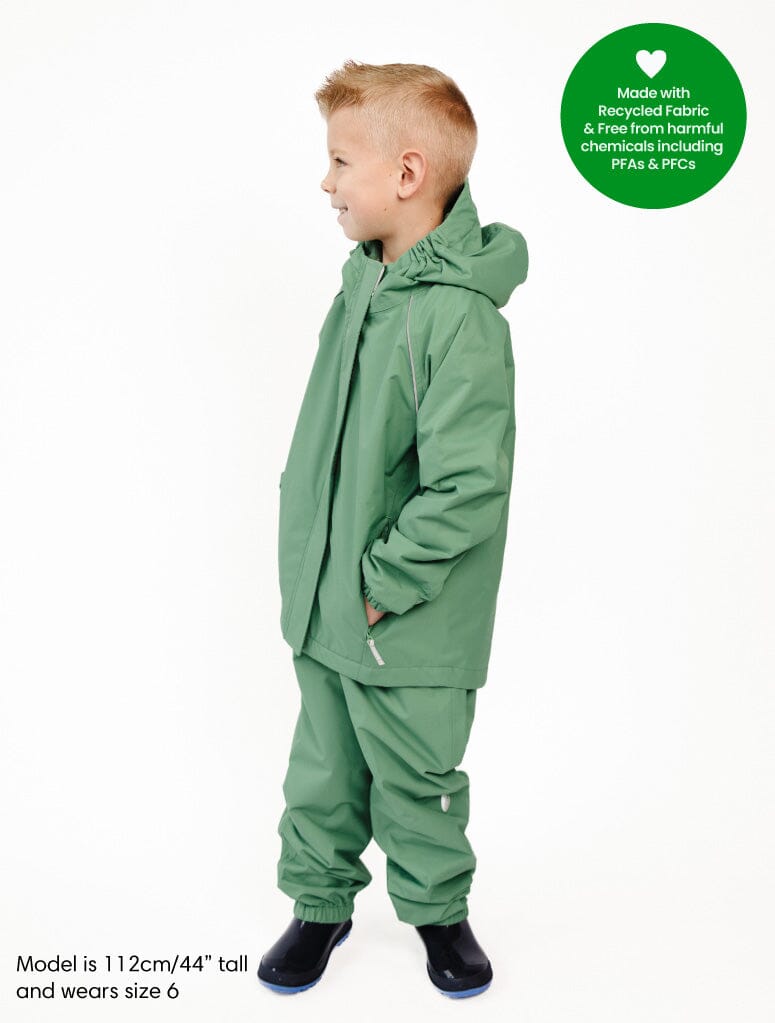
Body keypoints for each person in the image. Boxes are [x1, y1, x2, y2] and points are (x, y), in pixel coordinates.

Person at [258, 59, 528, 999]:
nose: (324, 181)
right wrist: (316, 567)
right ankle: (319, 902)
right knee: (323, 766)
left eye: (340, 161)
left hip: (405, 614)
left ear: (407, 174)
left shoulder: (459, 319)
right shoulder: (361, 287)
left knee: (417, 772)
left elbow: (467, 483)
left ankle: (438, 911)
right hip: (326, 594)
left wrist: (381, 583)